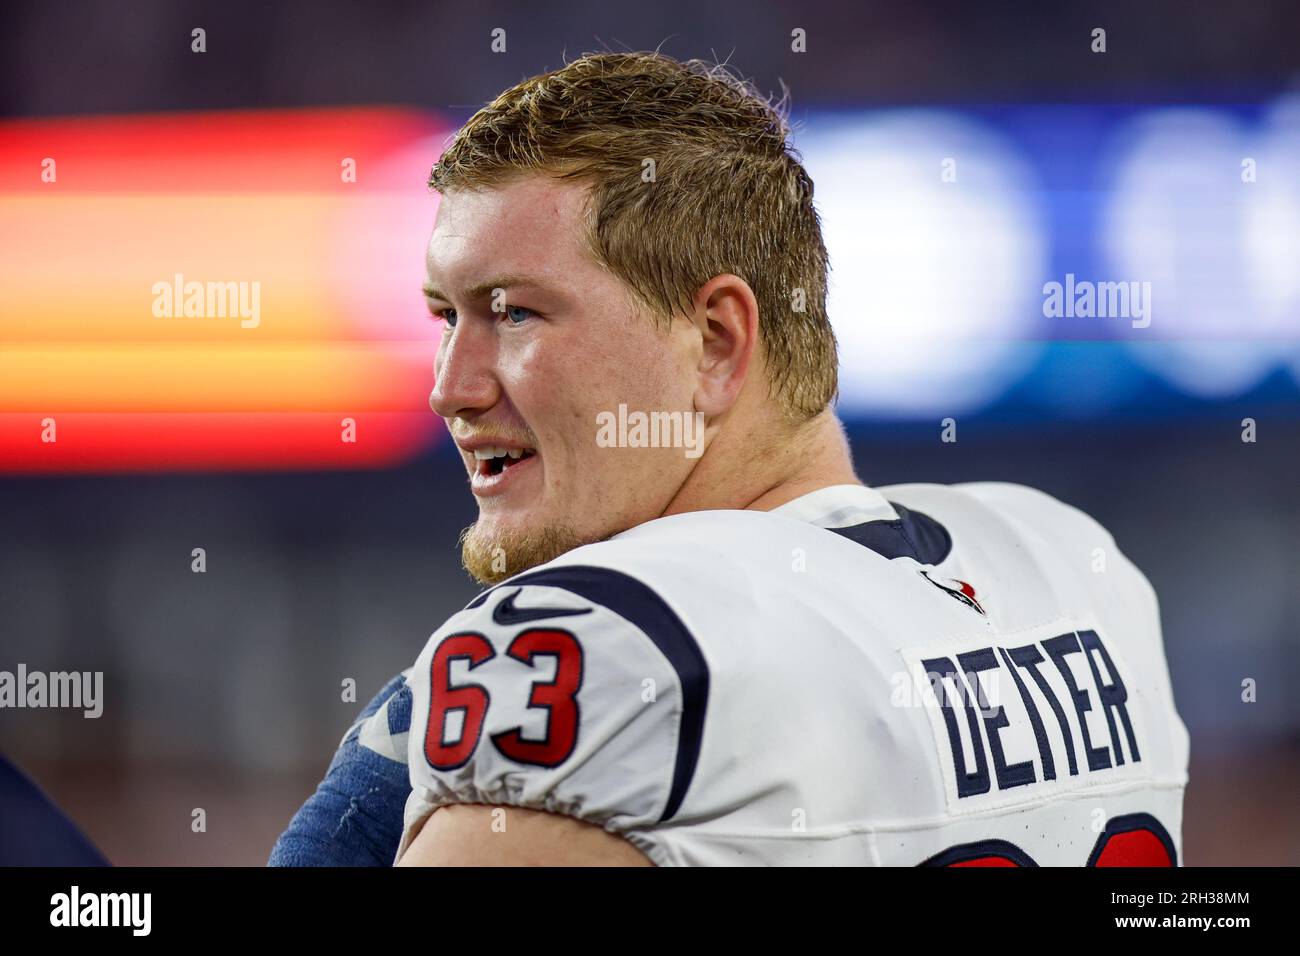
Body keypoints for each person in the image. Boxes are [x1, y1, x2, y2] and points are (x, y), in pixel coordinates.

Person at [275, 51, 1189, 867]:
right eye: (446, 317)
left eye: (513, 312)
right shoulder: (1069, 562)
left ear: (714, 342)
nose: (450, 386)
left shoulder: (593, 643)